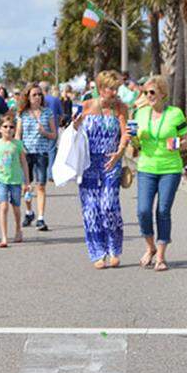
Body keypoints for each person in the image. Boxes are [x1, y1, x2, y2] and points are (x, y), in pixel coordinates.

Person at [133, 75, 187, 272]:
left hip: (170, 169)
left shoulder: (175, 114)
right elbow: (132, 139)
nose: (149, 96)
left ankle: (161, 256)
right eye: (145, 93)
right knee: (143, 210)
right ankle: (150, 248)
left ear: (163, 93)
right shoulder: (140, 114)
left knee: (163, 211)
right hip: (146, 168)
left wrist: (177, 144)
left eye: (152, 92)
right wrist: (132, 138)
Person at [74, 70, 130, 269]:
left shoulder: (120, 109)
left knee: (108, 206)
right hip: (88, 163)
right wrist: (75, 125)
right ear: (100, 88)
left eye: (116, 88)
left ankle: (114, 248)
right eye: (109, 88)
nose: (113, 92)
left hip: (111, 162)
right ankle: (98, 252)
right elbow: (74, 131)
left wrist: (119, 152)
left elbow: (125, 134)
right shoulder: (87, 106)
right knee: (91, 210)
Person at [16, 83, 57, 231]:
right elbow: (18, 134)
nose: (38, 97)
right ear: (28, 97)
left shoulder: (47, 113)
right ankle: (29, 212)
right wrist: (19, 148)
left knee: (40, 186)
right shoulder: (22, 114)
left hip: (41, 152)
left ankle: (41, 217)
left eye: (40, 94)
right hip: (26, 153)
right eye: (34, 95)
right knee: (25, 186)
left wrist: (45, 132)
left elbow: (54, 134)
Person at [0, 115, 28, 248]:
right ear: (0, 129)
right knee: (3, 206)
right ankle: (4, 236)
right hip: (2, 179)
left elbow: (23, 162)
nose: (8, 129)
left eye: (11, 127)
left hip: (16, 180)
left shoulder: (18, 144)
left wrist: (27, 182)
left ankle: (18, 229)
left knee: (16, 207)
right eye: (5, 127)